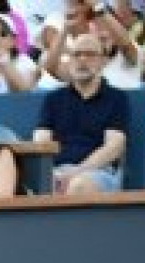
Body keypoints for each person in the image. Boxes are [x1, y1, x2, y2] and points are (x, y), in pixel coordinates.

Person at [33, 33, 129, 195]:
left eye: (90, 54)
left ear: (103, 61)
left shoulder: (117, 98)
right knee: (39, 185)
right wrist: (51, 174)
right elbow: (41, 142)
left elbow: (114, 147)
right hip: (57, 170)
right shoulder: (53, 99)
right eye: (76, 54)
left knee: (78, 186)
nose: (82, 60)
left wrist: (76, 172)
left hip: (98, 171)